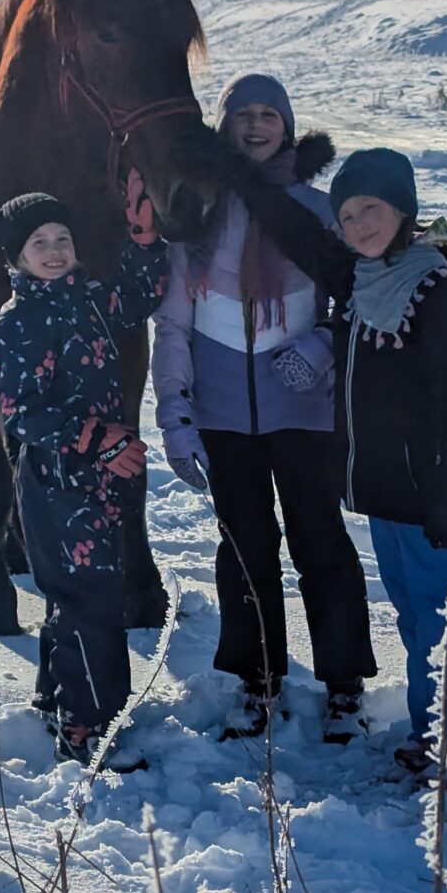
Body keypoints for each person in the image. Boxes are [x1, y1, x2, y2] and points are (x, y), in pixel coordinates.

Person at [231, 143, 447, 789]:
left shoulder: (433, 289)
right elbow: (303, 237)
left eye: (371, 209)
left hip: (428, 496)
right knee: (417, 621)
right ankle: (433, 733)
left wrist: (446, 499)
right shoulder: (361, 278)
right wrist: (247, 180)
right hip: (384, 492)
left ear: (403, 209)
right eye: (347, 214)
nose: (358, 225)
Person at [154, 73, 375, 742]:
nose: (255, 125)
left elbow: (356, 295)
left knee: (321, 544)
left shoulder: (315, 208)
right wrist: (175, 415)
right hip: (222, 414)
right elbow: (172, 324)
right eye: (242, 114)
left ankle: (343, 688)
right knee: (245, 549)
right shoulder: (195, 211)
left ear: (287, 125)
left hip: (304, 408)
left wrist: (319, 348)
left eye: (267, 114)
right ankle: (258, 683)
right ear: (225, 128)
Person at [0, 182, 166, 766]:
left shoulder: (91, 299)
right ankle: (89, 729)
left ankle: (58, 697)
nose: (54, 250)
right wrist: (97, 438)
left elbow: (141, 295)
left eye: (62, 238)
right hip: (57, 483)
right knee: (90, 601)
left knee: (79, 596)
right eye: (38, 243)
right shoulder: (15, 326)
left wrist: (145, 239)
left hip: (104, 480)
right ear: (14, 257)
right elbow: (20, 412)